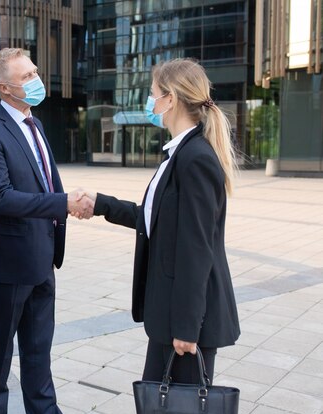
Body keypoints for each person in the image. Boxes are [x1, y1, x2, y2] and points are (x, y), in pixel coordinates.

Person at [76, 58, 240, 383]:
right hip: (170, 314)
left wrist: (186, 328)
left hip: (186, 324)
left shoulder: (195, 159)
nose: (150, 102)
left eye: (153, 94)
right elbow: (153, 219)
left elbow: (197, 249)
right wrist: (101, 204)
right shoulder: (178, 153)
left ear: (171, 99)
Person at [0, 48, 90, 414]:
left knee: (39, 353)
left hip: (42, 258)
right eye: (26, 77)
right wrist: (62, 203)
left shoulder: (35, 125)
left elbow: (45, 182)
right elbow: (1, 197)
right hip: (8, 264)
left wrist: (63, 204)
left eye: (35, 72)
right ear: (5, 89)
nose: (36, 81)